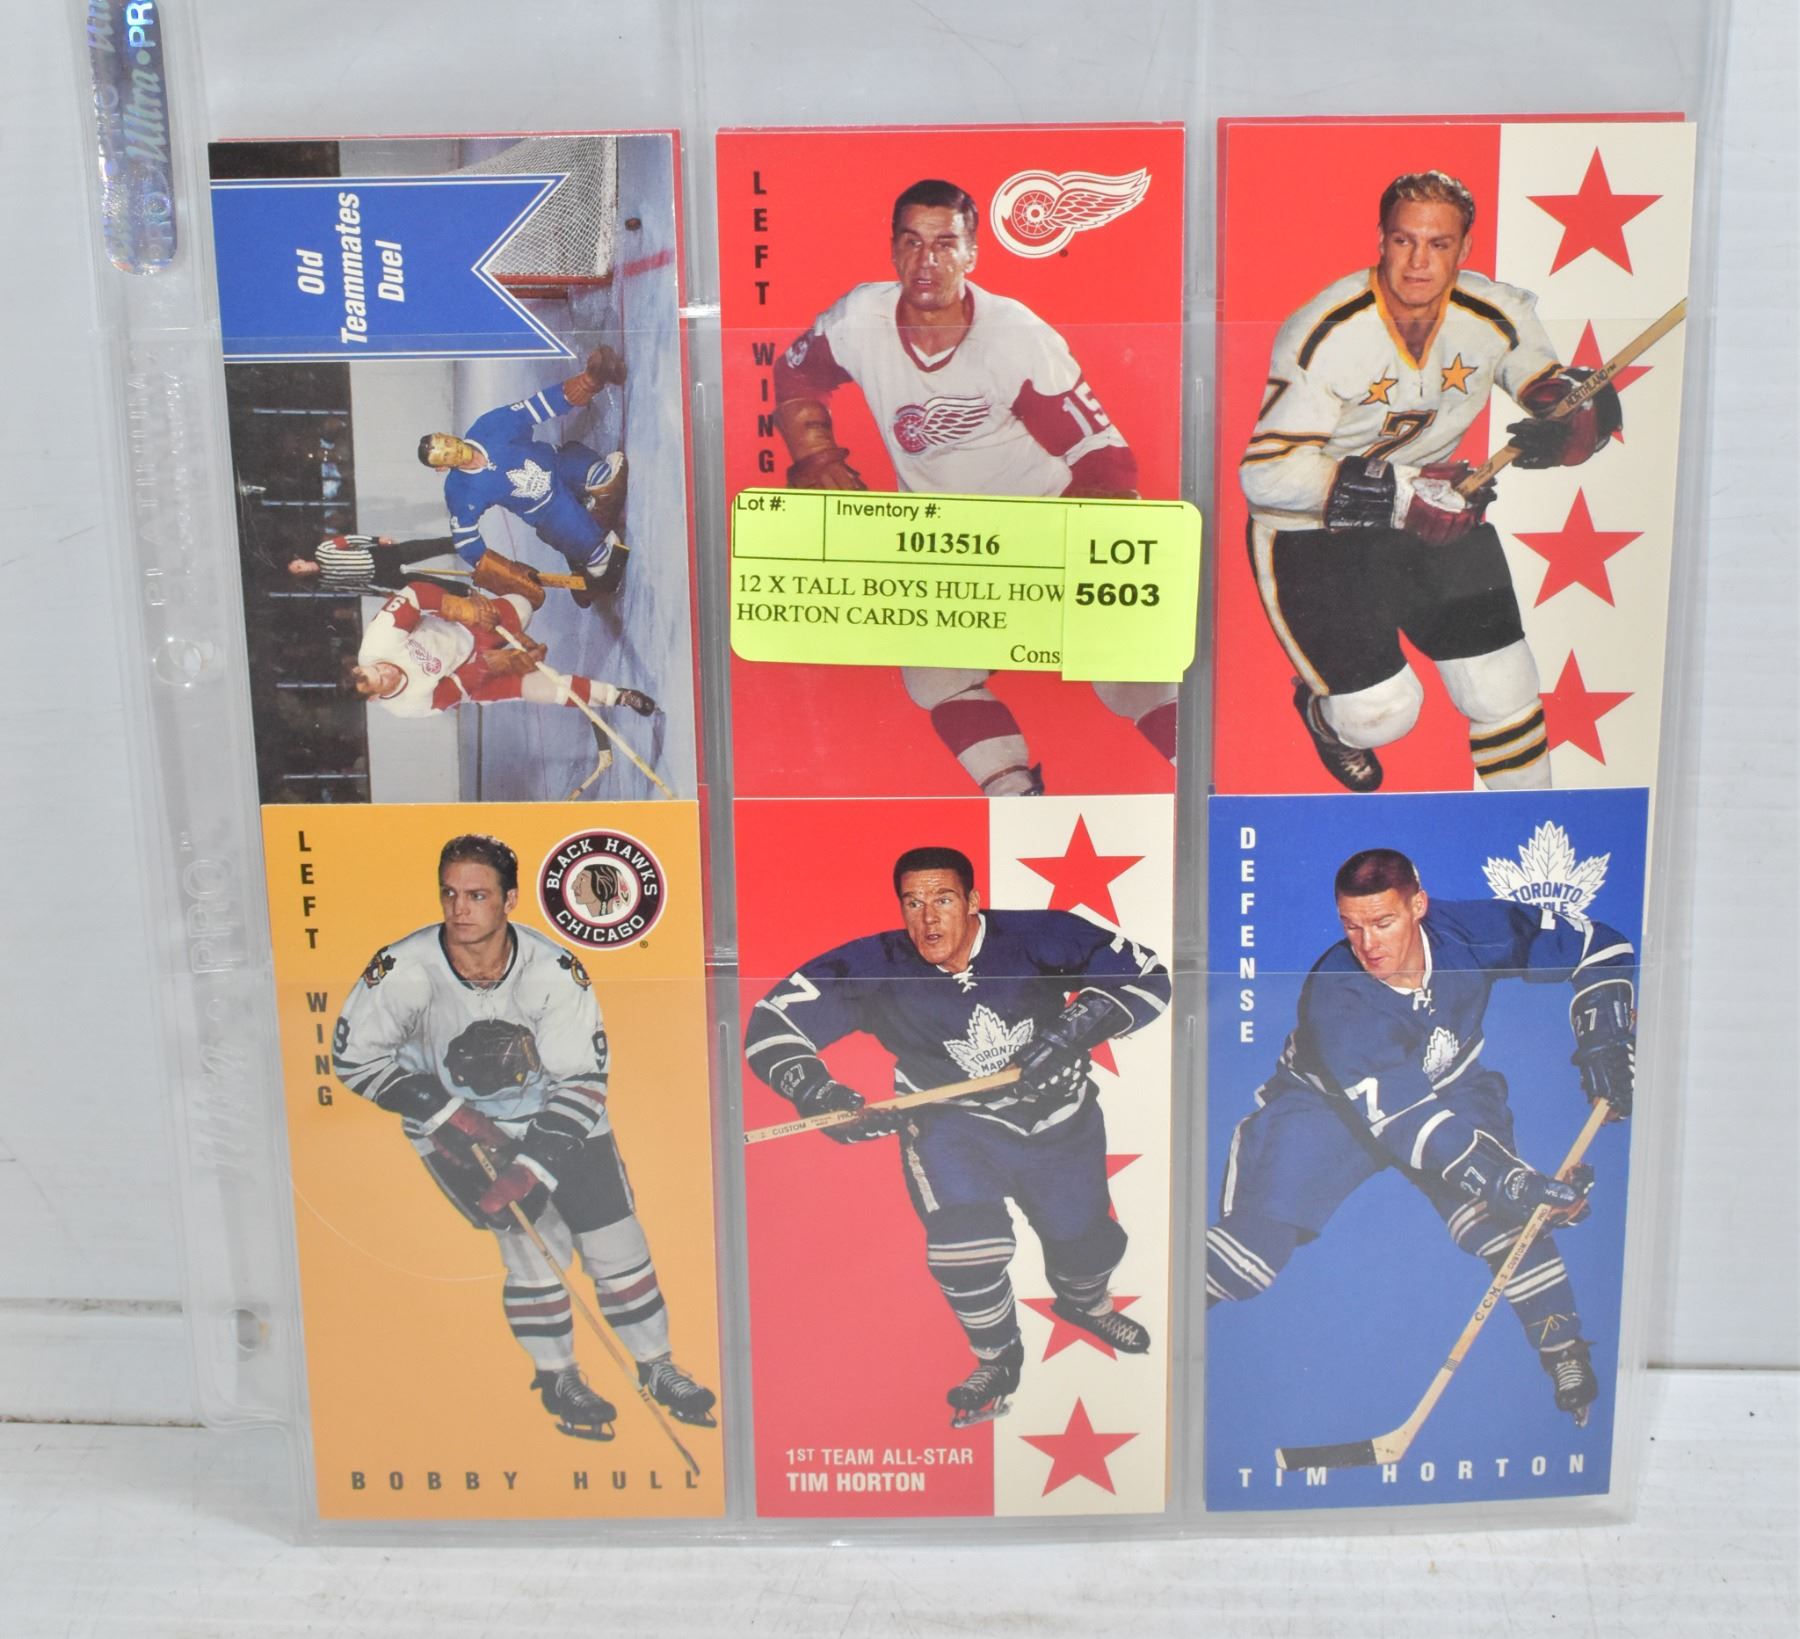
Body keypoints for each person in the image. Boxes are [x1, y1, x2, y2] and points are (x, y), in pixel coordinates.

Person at [771, 178, 1177, 793]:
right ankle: (1016, 797)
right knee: (935, 676)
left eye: (944, 244)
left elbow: (1106, 457)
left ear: (971, 254)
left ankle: (1210, 784)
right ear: (892, 249)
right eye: (912, 242)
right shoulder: (859, 317)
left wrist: (1096, 554)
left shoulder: (1014, 337)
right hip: (948, 542)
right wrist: (815, 452)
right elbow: (796, 373)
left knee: (1132, 676)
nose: (926, 261)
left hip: (1044, 521)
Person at [1205, 847, 1637, 1425]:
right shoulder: (1339, 993)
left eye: (1383, 922)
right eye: (1351, 926)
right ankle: (1163, 1306)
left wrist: (1605, 1034)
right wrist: (1507, 1179)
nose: (1368, 944)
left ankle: (1565, 1353)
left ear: (1418, 906)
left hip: (1450, 1086)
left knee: (1512, 1224)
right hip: (1328, 1107)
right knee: (1248, 1259)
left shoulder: (1469, 933)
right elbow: (1407, 1121)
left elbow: (1601, 946)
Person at [743, 845, 1171, 1426]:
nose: (928, 919)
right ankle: (997, 1356)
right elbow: (772, 1022)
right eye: (912, 903)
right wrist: (819, 1095)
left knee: (1086, 1245)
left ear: (972, 900)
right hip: (950, 1125)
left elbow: (1148, 975)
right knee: (966, 1248)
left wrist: (1072, 1031)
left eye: (943, 900)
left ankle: (1085, 1304)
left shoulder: (1039, 935)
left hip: (1059, 1123)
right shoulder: (874, 963)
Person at [1240, 170, 1623, 792]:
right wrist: (1402, 494)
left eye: (1439, 244)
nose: (1419, 262)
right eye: (1404, 241)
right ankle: (1326, 718)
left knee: (1504, 687)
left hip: (1436, 514)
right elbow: (1265, 474)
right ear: (1381, 240)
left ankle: (1536, 831)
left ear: (1464, 247)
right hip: (1313, 534)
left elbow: (1548, 387)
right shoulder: (1324, 330)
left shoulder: (1497, 313)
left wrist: (1572, 421)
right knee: (1384, 713)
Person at [332, 833, 715, 1439]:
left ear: (509, 900)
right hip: (456, 1129)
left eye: (477, 895)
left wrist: (534, 1164)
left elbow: (582, 1080)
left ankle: (657, 1364)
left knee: (618, 1245)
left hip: (559, 1118)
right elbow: (355, 1060)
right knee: (536, 1251)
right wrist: (448, 1114)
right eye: (449, 894)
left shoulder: (552, 970)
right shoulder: (405, 968)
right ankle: (558, 1375)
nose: (459, 909)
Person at [417, 344, 632, 607]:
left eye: (447, 442)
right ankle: (586, 548)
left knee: (609, 479)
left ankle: (590, 512)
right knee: (603, 559)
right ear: (442, 467)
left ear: (449, 435)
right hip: (547, 510)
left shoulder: (487, 427)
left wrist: (586, 382)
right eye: (445, 456)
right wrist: (499, 572)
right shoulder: (458, 490)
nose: (453, 450)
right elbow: (465, 539)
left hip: (558, 463)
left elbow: (534, 408)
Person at [346, 579, 654, 724]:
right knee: (546, 688)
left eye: (377, 668)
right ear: (375, 698)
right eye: (381, 680)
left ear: (363, 665)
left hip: (465, 628)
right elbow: (457, 689)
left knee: (523, 605)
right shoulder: (405, 706)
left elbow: (414, 594)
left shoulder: (377, 643)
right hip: (471, 679)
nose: (386, 671)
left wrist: (466, 609)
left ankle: (504, 594)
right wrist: (495, 664)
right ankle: (619, 697)